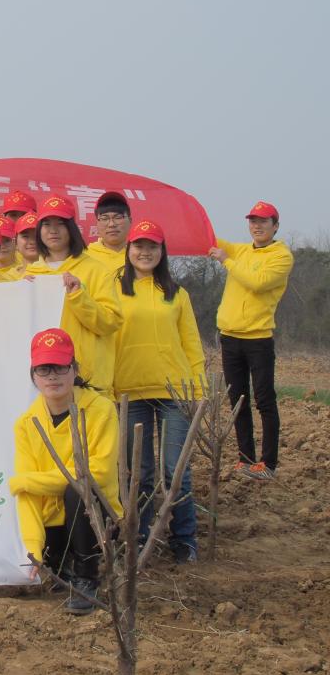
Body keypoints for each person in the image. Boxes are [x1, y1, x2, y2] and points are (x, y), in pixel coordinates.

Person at [10, 328, 122, 615]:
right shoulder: (26, 423)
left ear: (74, 370)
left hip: (96, 515)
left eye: (60, 367)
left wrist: (28, 481)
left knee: (77, 488)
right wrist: (33, 545)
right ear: (33, 375)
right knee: (45, 496)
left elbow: (99, 473)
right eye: (44, 369)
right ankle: (59, 563)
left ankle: (87, 577)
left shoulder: (101, 410)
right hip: (54, 520)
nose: (53, 376)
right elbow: (26, 494)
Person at [114, 221, 205, 563]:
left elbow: (191, 343)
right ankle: (138, 538)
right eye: (139, 245)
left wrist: (198, 389)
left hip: (174, 391)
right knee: (139, 473)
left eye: (152, 246)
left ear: (162, 251)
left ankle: (185, 540)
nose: (145, 252)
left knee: (175, 470)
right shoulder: (112, 289)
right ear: (129, 250)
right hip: (128, 390)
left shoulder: (177, 294)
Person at [209, 201, 294, 481]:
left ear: (275, 226)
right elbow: (210, 241)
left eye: (263, 221)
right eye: (253, 221)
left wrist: (226, 261)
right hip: (230, 338)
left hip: (258, 340)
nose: (257, 226)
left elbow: (257, 282)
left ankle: (268, 464)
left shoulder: (281, 257)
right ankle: (245, 460)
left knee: (264, 400)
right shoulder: (243, 250)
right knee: (238, 400)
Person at [25, 196, 123, 398]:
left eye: (60, 224)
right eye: (47, 224)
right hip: (43, 384)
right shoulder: (30, 275)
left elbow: (111, 322)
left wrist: (79, 296)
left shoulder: (96, 270)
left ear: (72, 228)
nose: (53, 230)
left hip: (88, 384)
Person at [87, 191, 132, 275]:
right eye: (104, 218)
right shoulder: (85, 256)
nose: (111, 224)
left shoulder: (140, 256)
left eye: (118, 217)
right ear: (97, 223)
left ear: (130, 220)